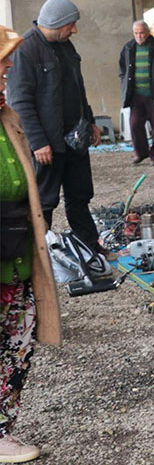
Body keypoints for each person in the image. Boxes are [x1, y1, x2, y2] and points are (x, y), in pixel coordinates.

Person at [0, 24, 62, 463]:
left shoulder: (7, 117)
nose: (7, 69)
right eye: (1, 62)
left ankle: (3, 431)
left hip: (16, 256)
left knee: (15, 347)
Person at [5, 0, 105, 256]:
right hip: (48, 145)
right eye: (70, 25)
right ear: (57, 22)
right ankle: (38, 256)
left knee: (80, 196)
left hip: (75, 140)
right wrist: (38, 142)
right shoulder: (25, 50)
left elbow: (78, 88)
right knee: (43, 202)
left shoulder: (66, 47)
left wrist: (91, 121)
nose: (74, 30)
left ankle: (89, 248)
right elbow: (21, 103)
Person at [118, 21, 154, 165]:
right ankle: (141, 152)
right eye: (136, 33)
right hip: (136, 95)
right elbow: (122, 69)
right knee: (135, 124)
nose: (139, 36)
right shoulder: (128, 48)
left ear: (148, 32)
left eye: (141, 33)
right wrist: (125, 83)